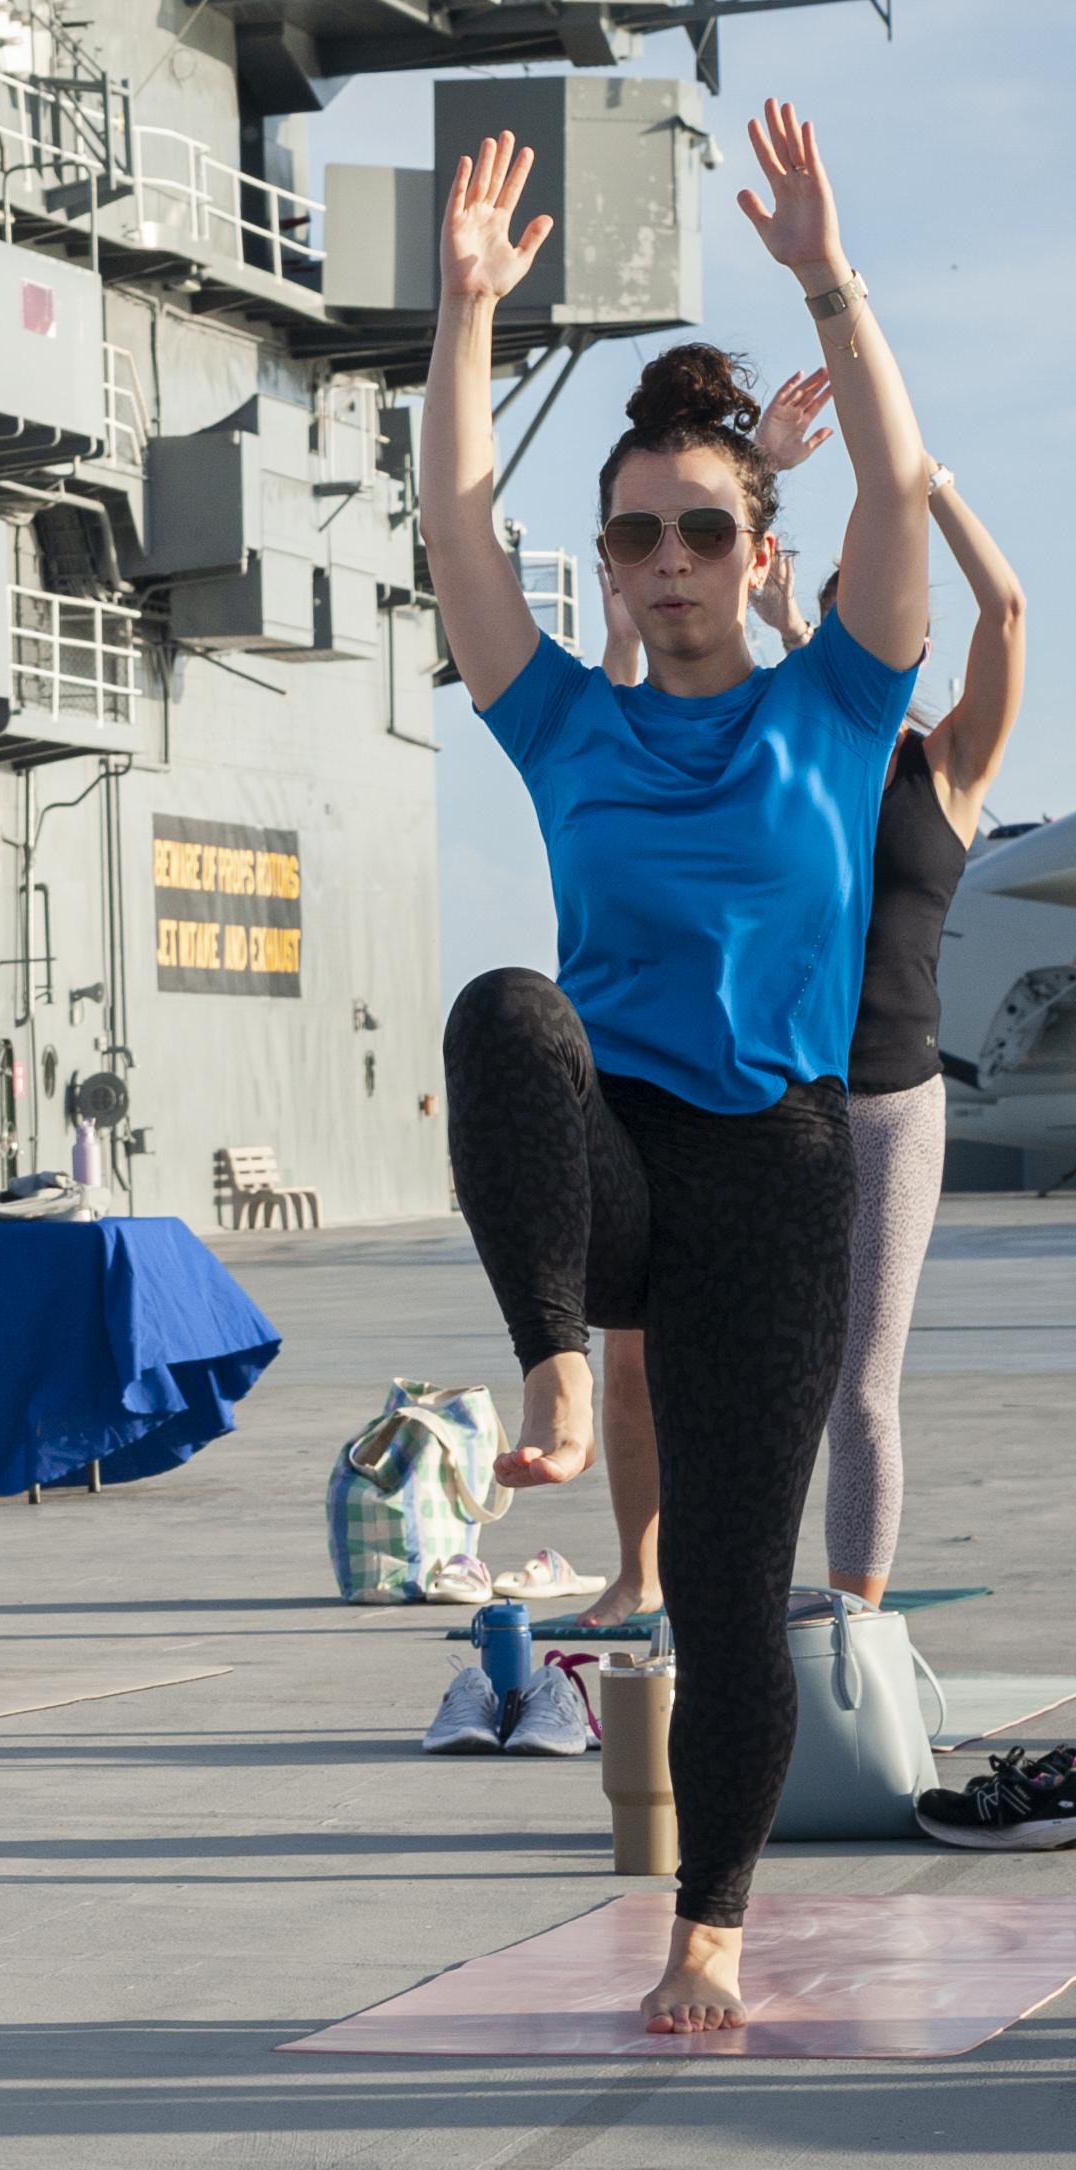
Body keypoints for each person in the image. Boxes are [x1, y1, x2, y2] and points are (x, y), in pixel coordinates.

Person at [427, 105, 937, 2034]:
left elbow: (899, 493)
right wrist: (468, 315)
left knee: (728, 1597)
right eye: (632, 533)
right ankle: (555, 1349)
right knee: (505, 1009)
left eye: (699, 528)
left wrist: (826, 273)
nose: (661, 558)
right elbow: (457, 526)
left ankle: (704, 1922)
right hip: (613, 1163)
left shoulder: (837, 698)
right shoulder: (561, 723)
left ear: (754, 547)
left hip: (782, 1176)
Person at [584, 416, 1024, 1620]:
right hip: (768, 1101)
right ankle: (680, 1587)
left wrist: (927, 495)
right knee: (709, 1369)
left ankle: (850, 1626)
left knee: (858, 1386)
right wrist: (756, 488)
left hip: (885, 1101)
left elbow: (1009, 619)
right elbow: (705, 629)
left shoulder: (947, 769)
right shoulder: (796, 735)